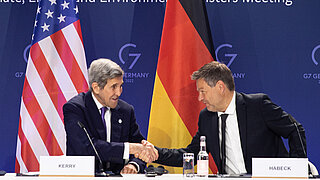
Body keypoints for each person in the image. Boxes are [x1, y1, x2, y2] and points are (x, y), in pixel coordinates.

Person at [150, 61, 307, 174]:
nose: (199, 98)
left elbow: (295, 130)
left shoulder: (257, 105)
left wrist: (295, 169)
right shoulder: (207, 117)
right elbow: (190, 154)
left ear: (220, 87)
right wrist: (155, 153)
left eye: (203, 91)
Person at [63, 58, 158, 174]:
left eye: (120, 86)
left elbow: (139, 146)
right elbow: (86, 148)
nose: (118, 92)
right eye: (113, 87)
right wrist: (129, 148)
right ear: (96, 87)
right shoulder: (75, 109)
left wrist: (134, 164)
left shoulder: (125, 111)